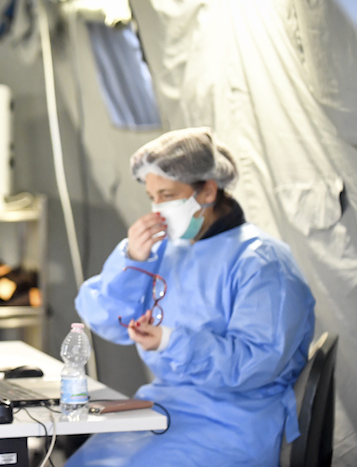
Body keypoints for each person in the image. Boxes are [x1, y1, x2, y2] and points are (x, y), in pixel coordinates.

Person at [66, 127, 315, 466]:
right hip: (162, 406)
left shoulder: (263, 263)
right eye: (152, 197)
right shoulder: (164, 250)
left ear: (208, 190)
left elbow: (256, 363)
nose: (157, 208)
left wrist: (171, 341)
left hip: (233, 421)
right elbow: (105, 321)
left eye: (168, 195)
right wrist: (132, 261)